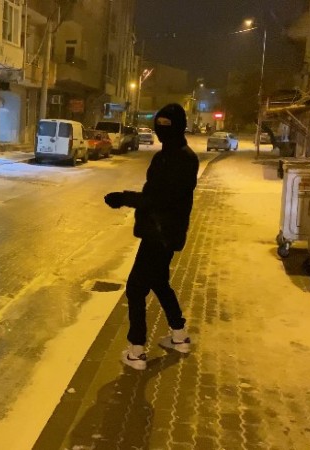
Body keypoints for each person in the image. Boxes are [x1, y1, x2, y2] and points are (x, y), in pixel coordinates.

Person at [104, 103, 199, 370]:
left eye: (166, 125)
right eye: (159, 124)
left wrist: (124, 198)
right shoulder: (172, 155)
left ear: (178, 126)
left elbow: (160, 199)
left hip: (160, 233)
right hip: (164, 232)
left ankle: (136, 350)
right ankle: (179, 335)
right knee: (159, 282)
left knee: (136, 289)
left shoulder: (178, 158)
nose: (161, 130)